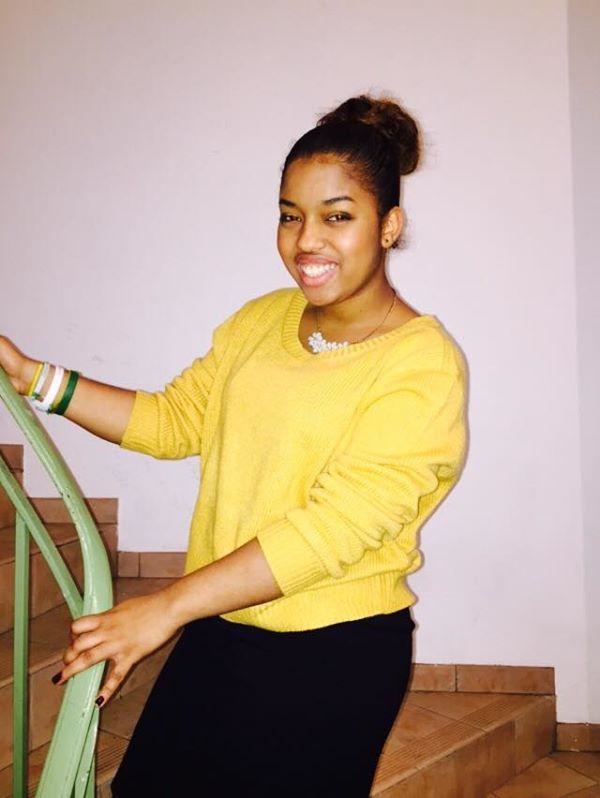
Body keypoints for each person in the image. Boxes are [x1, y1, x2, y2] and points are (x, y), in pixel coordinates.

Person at [0, 94, 467, 796]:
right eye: (290, 215)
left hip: (334, 654)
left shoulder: (422, 364)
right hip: (223, 624)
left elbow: (330, 531)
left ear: (389, 226)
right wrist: (34, 377)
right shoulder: (261, 321)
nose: (307, 241)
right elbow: (171, 420)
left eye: (337, 216)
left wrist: (166, 606)